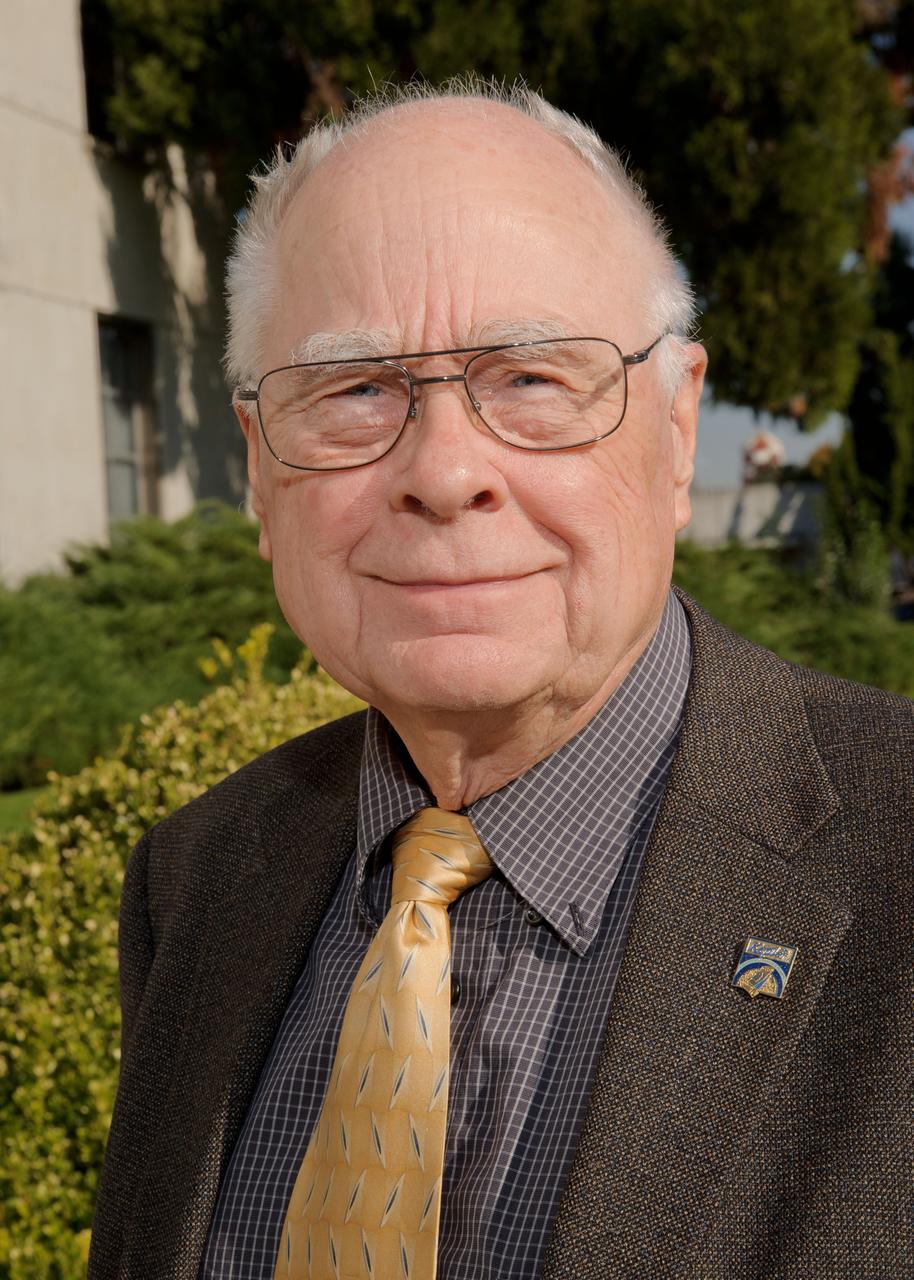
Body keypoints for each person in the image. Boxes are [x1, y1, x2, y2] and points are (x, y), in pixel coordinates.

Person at [88, 80, 913, 1280]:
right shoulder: (198, 877)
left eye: (530, 377)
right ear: (260, 470)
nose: (442, 470)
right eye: (354, 389)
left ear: (676, 429)